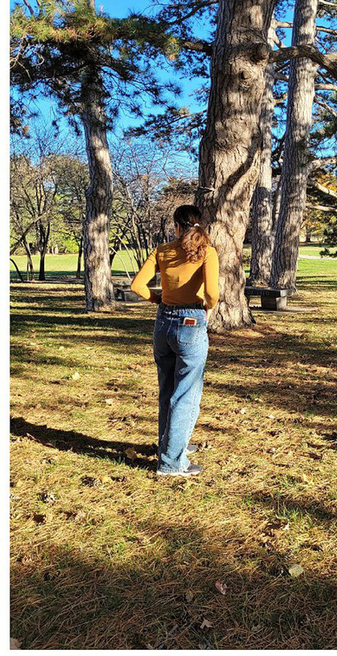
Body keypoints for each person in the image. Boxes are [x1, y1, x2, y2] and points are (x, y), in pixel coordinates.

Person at [129, 204, 220, 477]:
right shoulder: (207, 252)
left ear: (176, 226)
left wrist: (158, 299)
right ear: (198, 225)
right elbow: (213, 293)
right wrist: (208, 308)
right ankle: (171, 463)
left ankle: (168, 445)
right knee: (186, 393)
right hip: (191, 323)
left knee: (167, 389)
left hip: (162, 324)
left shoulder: (162, 250)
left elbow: (137, 286)